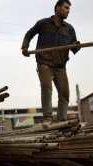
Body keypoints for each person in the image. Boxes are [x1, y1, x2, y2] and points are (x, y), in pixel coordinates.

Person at [21, 0, 80, 128]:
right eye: (66, 8)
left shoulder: (69, 29)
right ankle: (47, 118)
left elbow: (73, 46)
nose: (68, 11)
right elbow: (29, 34)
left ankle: (61, 121)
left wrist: (76, 46)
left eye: (69, 9)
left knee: (64, 94)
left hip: (60, 65)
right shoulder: (43, 23)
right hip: (44, 62)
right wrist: (25, 47)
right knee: (46, 87)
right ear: (58, 8)